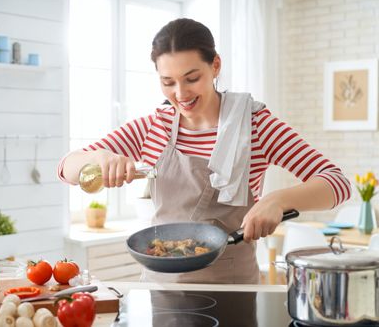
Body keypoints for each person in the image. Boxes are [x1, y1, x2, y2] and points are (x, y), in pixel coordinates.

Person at [58, 18, 351, 284]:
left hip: (232, 288)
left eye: (191, 78)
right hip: (161, 286)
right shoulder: (152, 127)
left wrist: (278, 199)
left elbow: (338, 183)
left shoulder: (256, 126)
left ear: (215, 66)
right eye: (168, 82)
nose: (180, 94)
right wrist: (97, 158)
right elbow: (66, 168)